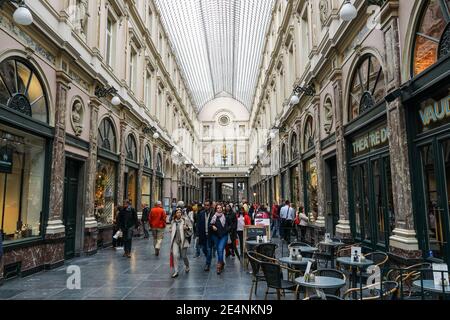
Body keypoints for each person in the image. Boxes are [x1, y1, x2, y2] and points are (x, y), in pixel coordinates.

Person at [170, 208, 192, 278]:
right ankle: (176, 271)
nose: (179, 214)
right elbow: (171, 228)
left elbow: (191, 229)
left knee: (183, 256)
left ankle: (187, 265)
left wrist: (187, 228)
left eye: (180, 212)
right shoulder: (173, 221)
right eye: (177, 212)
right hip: (175, 241)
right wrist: (171, 230)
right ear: (175, 214)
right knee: (175, 255)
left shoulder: (185, 220)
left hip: (183, 241)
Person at [210, 204, 229, 274]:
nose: (219, 209)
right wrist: (212, 226)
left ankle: (219, 265)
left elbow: (230, 224)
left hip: (224, 235)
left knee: (220, 249)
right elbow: (210, 224)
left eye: (220, 208)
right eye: (218, 208)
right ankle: (222, 262)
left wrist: (227, 230)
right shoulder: (214, 217)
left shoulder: (226, 216)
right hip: (216, 236)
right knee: (218, 250)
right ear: (216, 209)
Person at [197, 200, 214, 271]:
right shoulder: (201, 213)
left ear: (210, 206)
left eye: (207, 205)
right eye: (205, 205)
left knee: (209, 249)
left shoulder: (213, 214)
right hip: (203, 234)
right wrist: (197, 234)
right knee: (204, 249)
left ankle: (207, 264)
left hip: (210, 235)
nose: (206, 206)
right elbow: (198, 224)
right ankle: (209, 258)